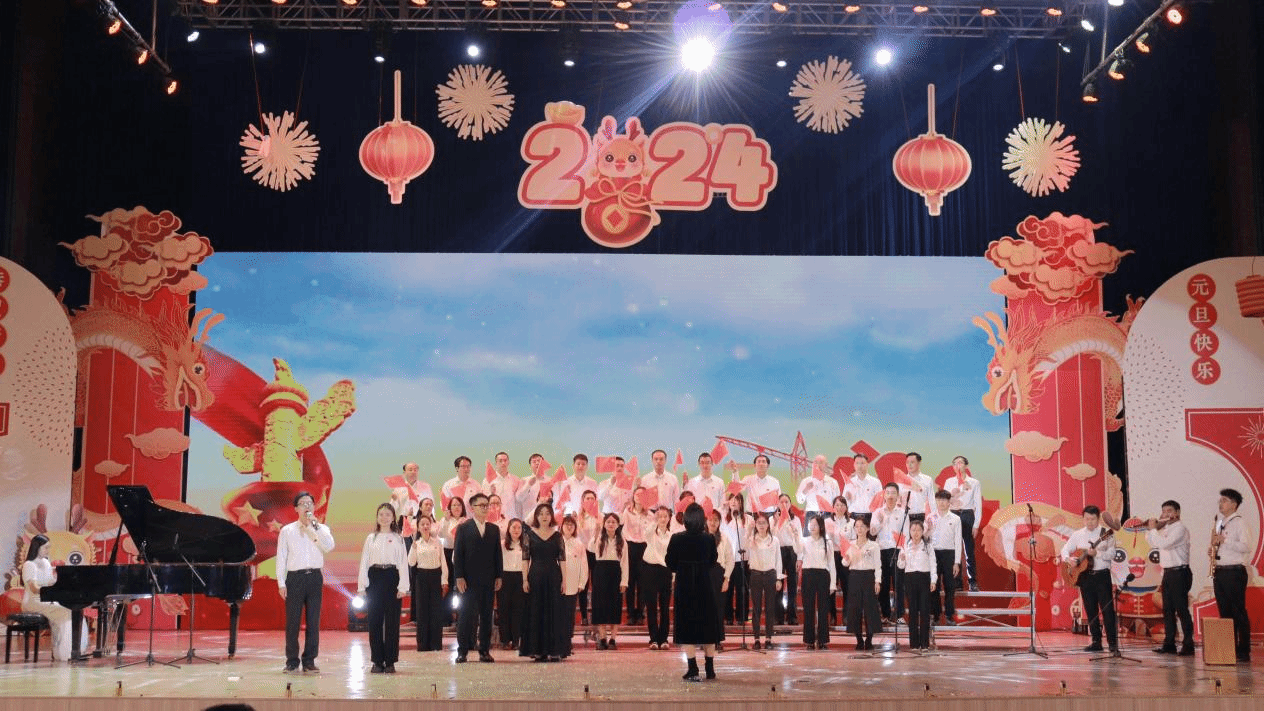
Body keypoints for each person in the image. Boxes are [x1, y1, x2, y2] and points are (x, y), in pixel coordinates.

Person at [276, 491, 335, 673]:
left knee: (313, 621)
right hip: (295, 578)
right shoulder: (287, 531)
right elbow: (281, 557)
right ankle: (292, 661)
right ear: (296, 508)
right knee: (292, 623)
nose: (307, 506)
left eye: (310, 503)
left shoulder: (322, 528)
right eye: (303, 503)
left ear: (314, 507)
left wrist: (314, 527)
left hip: (314, 577)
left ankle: (309, 660)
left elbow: (329, 547)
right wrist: (281, 583)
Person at [666, 503, 721, 681]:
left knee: (686, 627)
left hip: (684, 586)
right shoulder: (709, 539)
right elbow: (713, 561)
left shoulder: (676, 538)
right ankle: (710, 669)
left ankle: (692, 668)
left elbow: (670, 563)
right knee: (708, 627)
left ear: (686, 519)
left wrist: (683, 567)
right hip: (705, 585)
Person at [357, 503, 409, 673]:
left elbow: (403, 563)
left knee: (392, 622)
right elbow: (364, 562)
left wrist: (403, 587)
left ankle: (391, 661)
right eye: (381, 514)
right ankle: (377, 661)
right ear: (377, 517)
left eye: (388, 514)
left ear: (393, 518)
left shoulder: (398, 538)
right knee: (375, 621)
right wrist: (362, 586)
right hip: (375, 578)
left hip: (392, 577)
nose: (384, 517)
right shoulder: (371, 538)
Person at [452, 492, 504, 663]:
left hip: (488, 580)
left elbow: (497, 555)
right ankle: (462, 651)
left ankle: (484, 651)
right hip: (468, 581)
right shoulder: (463, 528)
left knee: (487, 617)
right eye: (481, 505)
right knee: (465, 616)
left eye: (487, 505)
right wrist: (459, 576)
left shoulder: (493, 529)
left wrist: (499, 575)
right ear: (472, 508)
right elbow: (458, 554)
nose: (485, 508)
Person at [1059, 505, 1118, 653]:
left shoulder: (1106, 533)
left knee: (1107, 610)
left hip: (1102, 575)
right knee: (1090, 610)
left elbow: (1112, 554)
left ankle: (1112, 643)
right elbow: (1065, 549)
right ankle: (1096, 642)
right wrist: (1068, 559)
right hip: (1085, 577)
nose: (1089, 522)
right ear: (1083, 519)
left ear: (1098, 519)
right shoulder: (1078, 534)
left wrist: (1097, 553)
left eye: (1093, 519)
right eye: (1087, 519)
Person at [19, 534, 88, 661]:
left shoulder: (46, 562)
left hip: (45, 599)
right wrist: (51, 591)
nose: (48, 550)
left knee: (75, 611)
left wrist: (63, 584)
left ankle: (77, 650)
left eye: (48, 547)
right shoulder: (29, 564)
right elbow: (34, 588)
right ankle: (65, 653)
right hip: (33, 601)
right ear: (37, 547)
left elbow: (51, 582)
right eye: (45, 548)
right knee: (67, 612)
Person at [1146, 499, 1194, 656]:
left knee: (1181, 609)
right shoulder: (1165, 528)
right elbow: (1152, 542)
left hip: (1179, 572)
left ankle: (1188, 644)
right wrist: (1152, 529)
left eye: (1169, 511)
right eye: (1164, 511)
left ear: (1177, 513)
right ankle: (1169, 644)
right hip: (1168, 573)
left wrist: (1154, 529)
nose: (1166, 514)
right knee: (1167, 610)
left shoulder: (1180, 529)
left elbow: (1164, 544)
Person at [1210, 488, 1252, 663]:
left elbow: (1246, 546)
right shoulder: (1221, 522)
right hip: (1220, 571)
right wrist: (1214, 550)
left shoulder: (1239, 522)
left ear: (1234, 504)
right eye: (1220, 500)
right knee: (1225, 611)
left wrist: (1224, 540)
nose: (1220, 504)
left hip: (1234, 571)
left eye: (1224, 500)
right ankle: (1229, 648)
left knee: (1238, 610)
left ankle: (1244, 650)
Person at [521, 503, 566, 662]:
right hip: (535, 576)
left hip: (554, 576)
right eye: (541, 513)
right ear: (536, 517)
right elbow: (525, 559)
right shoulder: (529, 534)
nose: (544, 516)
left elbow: (562, 559)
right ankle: (537, 650)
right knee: (536, 611)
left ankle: (555, 650)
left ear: (552, 516)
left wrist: (564, 580)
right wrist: (525, 579)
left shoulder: (558, 535)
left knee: (554, 612)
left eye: (547, 513)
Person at [589, 512, 630, 650]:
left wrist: (624, 581)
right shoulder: (599, 538)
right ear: (604, 524)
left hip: (615, 573)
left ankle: (613, 639)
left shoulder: (622, 541)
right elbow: (590, 548)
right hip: (600, 572)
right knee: (600, 606)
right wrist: (596, 533)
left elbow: (625, 563)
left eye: (613, 522)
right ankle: (602, 638)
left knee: (615, 606)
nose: (611, 524)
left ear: (618, 525)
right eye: (608, 522)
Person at [408, 513, 448, 652]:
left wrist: (444, 581)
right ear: (418, 527)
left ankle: (436, 644)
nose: (425, 526)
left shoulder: (437, 542)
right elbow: (411, 562)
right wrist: (413, 548)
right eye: (422, 524)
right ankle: (423, 644)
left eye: (427, 524)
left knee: (436, 611)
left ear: (431, 526)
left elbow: (443, 563)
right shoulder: (416, 544)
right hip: (421, 578)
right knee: (422, 611)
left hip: (436, 577)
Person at [843, 515, 882, 650]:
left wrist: (877, 581)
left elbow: (878, 565)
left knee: (870, 609)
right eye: (857, 527)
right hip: (854, 576)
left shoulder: (874, 545)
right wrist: (847, 559)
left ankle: (869, 640)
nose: (859, 529)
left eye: (862, 527)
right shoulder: (850, 544)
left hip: (869, 577)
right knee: (855, 609)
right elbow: (844, 563)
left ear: (867, 529)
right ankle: (859, 640)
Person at [745, 512, 782, 649]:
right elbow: (744, 548)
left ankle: (768, 638)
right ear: (755, 524)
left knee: (770, 608)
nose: (761, 525)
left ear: (768, 525)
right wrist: (749, 530)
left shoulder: (774, 540)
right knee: (756, 608)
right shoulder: (752, 539)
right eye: (758, 523)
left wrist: (778, 578)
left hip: (770, 575)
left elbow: (778, 560)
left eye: (764, 523)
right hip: (756, 575)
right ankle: (756, 639)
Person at [897, 519, 936, 650]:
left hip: (924, 578)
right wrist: (901, 559)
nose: (916, 532)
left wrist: (933, 580)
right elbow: (900, 565)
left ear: (922, 531)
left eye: (918, 530)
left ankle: (924, 643)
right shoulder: (905, 546)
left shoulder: (928, 546)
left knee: (924, 611)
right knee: (912, 611)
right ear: (909, 531)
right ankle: (914, 643)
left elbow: (933, 564)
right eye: (913, 530)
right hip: (910, 579)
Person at [798, 514, 836, 649]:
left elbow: (831, 564)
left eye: (815, 524)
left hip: (823, 575)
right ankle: (809, 641)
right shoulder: (804, 540)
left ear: (821, 526)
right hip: (808, 575)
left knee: (823, 609)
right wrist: (794, 535)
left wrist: (833, 584)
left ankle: (823, 640)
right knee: (808, 609)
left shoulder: (827, 542)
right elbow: (797, 550)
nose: (812, 527)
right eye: (810, 524)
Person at [642, 505, 677, 649]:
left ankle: (664, 639)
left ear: (669, 518)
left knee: (664, 606)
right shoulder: (651, 532)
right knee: (651, 606)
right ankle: (653, 639)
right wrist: (654, 520)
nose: (662, 519)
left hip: (666, 570)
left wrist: (673, 574)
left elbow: (674, 556)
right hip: (650, 569)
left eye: (665, 516)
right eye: (660, 516)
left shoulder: (672, 536)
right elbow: (647, 533)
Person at [872, 483, 908, 623]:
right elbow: (872, 532)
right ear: (884, 495)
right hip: (881, 550)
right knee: (884, 584)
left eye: (893, 493)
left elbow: (906, 534)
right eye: (888, 492)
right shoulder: (877, 512)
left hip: (898, 550)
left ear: (898, 495)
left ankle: (899, 615)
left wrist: (904, 551)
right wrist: (880, 522)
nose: (891, 495)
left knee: (899, 584)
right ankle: (885, 614)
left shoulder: (903, 512)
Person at [945, 455, 982, 591]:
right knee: (954, 549)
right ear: (953, 467)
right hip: (953, 514)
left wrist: (976, 524)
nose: (958, 465)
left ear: (966, 465)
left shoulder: (974, 482)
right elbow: (945, 501)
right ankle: (957, 582)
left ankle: (972, 581)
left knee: (969, 549)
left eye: (960, 462)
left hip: (967, 514)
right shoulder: (949, 482)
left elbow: (978, 504)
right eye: (955, 463)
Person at [927, 490, 962, 626]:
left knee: (950, 587)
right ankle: (935, 616)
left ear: (949, 502)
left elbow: (958, 541)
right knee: (933, 586)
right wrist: (928, 530)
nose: (941, 503)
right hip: (933, 554)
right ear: (936, 501)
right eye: (939, 500)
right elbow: (926, 538)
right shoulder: (930, 517)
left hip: (949, 554)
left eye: (944, 500)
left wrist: (957, 562)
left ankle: (949, 615)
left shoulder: (955, 519)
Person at [558, 514, 589, 658]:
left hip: (572, 585)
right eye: (566, 524)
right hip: (558, 585)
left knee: (569, 615)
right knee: (558, 614)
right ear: (561, 526)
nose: (569, 527)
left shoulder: (579, 544)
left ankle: (567, 642)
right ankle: (558, 643)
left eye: (572, 525)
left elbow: (584, 565)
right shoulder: (557, 542)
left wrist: (582, 583)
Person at [620, 485, 652, 625]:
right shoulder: (627, 512)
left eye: (642, 494)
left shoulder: (650, 515)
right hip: (630, 547)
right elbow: (619, 524)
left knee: (643, 582)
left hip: (644, 548)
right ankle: (631, 614)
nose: (639, 497)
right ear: (633, 496)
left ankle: (640, 613)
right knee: (630, 582)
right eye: (637, 494)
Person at [720, 492, 752, 625]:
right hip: (728, 560)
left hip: (742, 559)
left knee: (742, 590)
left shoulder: (747, 518)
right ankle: (728, 617)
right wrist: (723, 507)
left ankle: (741, 617)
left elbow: (751, 538)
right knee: (727, 589)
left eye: (736, 499)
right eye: (731, 499)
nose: (733, 502)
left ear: (741, 502)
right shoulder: (724, 518)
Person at [705, 508, 734, 652]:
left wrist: (726, 579)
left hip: (719, 574)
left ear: (719, 522)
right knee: (704, 608)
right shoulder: (700, 537)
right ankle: (704, 639)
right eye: (710, 519)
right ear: (706, 521)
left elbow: (730, 560)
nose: (713, 522)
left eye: (716, 520)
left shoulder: (724, 538)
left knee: (718, 608)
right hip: (704, 574)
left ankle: (717, 640)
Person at [772, 494, 802, 626]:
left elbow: (799, 539)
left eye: (786, 501)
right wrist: (777, 521)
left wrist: (799, 558)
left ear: (790, 504)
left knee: (792, 585)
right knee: (777, 584)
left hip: (792, 551)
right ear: (777, 504)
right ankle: (778, 616)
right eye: (781, 501)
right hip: (778, 551)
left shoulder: (795, 520)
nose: (784, 504)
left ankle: (792, 616)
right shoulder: (772, 518)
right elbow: (770, 537)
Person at [497, 518, 527, 651]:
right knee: (503, 609)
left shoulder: (525, 545)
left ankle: (516, 640)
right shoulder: (502, 544)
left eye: (519, 528)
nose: (516, 530)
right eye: (514, 527)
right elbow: (497, 562)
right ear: (508, 529)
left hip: (520, 577)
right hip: (505, 577)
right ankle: (505, 640)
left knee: (518, 610)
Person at [438, 495, 467, 626]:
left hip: (462, 555)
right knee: (448, 585)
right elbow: (441, 534)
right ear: (449, 508)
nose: (456, 507)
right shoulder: (445, 520)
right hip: (448, 552)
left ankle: (462, 617)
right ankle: (446, 617)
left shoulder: (466, 521)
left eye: (459, 505)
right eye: (454, 505)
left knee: (462, 585)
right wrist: (446, 520)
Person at [826, 496, 854, 624]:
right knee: (831, 585)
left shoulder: (852, 522)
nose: (840, 507)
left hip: (846, 556)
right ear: (833, 507)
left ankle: (846, 616)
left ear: (846, 507)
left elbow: (854, 540)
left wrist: (848, 550)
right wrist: (830, 537)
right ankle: (832, 615)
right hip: (832, 555)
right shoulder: (827, 522)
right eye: (837, 505)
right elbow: (824, 540)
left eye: (842, 505)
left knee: (847, 586)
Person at [576, 489, 601, 626]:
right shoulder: (578, 517)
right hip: (583, 552)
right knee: (583, 585)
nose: (590, 501)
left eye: (592, 498)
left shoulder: (600, 516)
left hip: (596, 553)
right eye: (587, 498)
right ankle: (584, 616)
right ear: (582, 501)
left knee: (597, 584)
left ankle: (596, 615)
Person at [796, 455, 841, 519]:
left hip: (827, 515)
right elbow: (799, 500)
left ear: (826, 465)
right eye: (816, 462)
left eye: (821, 462)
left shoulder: (833, 482)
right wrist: (806, 490)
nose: (818, 465)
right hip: (811, 515)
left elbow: (837, 501)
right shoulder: (806, 481)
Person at [486, 451, 521, 521]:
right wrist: (491, 493)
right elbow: (484, 501)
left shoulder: (515, 480)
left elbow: (519, 499)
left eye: (505, 460)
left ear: (508, 462)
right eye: (500, 461)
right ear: (496, 463)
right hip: (494, 518)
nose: (503, 463)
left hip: (511, 517)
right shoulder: (487, 481)